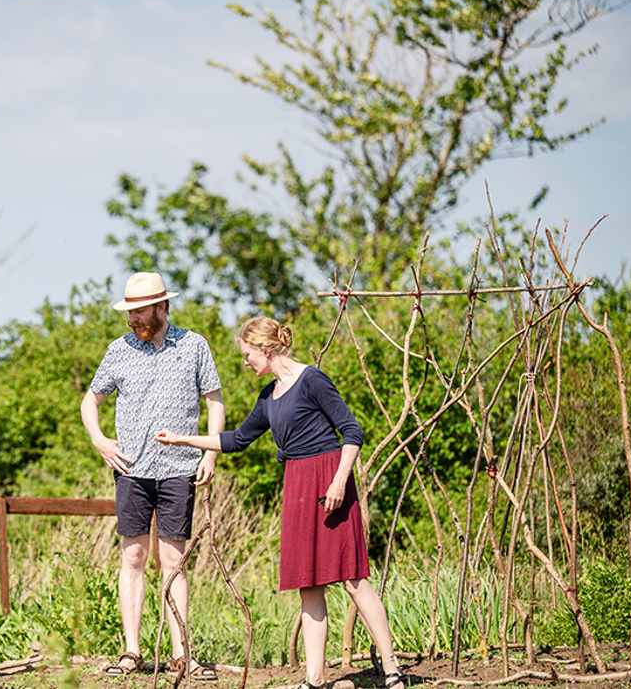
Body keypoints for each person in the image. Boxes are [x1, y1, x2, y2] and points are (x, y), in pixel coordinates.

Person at [155, 316, 406, 689]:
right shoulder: (268, 396)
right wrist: (182, 440)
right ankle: (315, 680)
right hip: (298, 486)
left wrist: (340, 479)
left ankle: (391, 668)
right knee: (309, 585)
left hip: (329, 480)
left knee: (353, 580)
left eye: (247, 354)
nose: (245, 362)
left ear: (266, 349)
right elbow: (237, 440)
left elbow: (352, 431)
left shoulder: (312, 380)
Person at [80, 271, 226, 679]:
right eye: (129, 311)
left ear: (161, 306)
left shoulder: (194, 345)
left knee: (174, 560)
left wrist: (210, 453)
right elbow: (89, 402)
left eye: (139, 310)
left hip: (180, 468)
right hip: (132, 469)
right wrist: (100, 440)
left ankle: (182, 652)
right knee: (134, 556)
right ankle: (132, 651)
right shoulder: (118, 350)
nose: (132, 319)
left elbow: (215, 404)